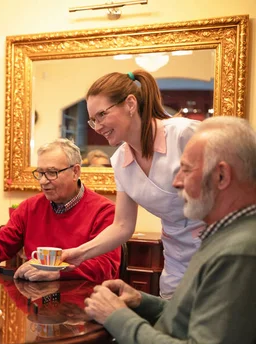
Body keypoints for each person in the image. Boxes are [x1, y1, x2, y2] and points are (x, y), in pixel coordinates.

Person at [42, 116, 256, 344]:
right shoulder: (225, 235)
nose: (176, 182)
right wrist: (142, 301)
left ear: (221, 176)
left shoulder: (239, 252)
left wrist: (116, 316)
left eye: (186, 170)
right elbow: (194, 323)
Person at [63, 69, 203, 299]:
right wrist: (79, 253)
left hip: (221, 256)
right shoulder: (120, 161)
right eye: (92, 120)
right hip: (177, 265)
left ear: (130, 104)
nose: (97, 127)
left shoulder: (183, 135)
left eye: (102, 115)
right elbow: (122, 226)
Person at [0, 139, 120, 283]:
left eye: (52, 172)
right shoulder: (29, 207)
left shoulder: (104, 211)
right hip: (35, 299)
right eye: (40, 173)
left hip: (84, 302)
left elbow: (106, 267)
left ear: (75, 172)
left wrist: (58, 271)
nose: (43, 181)